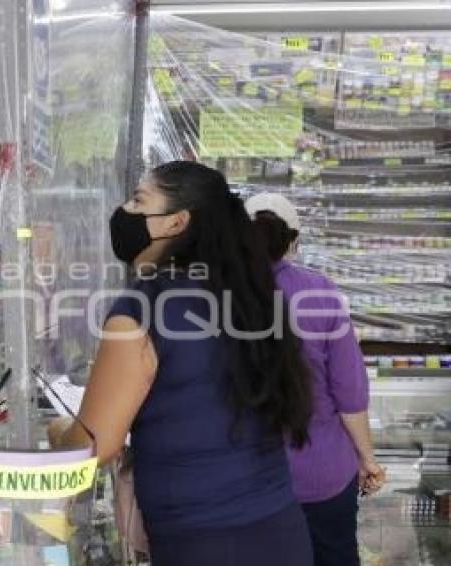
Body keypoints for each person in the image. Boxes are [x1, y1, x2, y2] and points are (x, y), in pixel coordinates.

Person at [49, 161, 314, 566]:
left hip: (200, 544)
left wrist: (60, 431)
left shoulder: (143, 306)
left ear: (175, 223)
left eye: (139, 200)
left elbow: (94, 447)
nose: (126, 210)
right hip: (282, 531)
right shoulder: (249, 299)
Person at [246, 192, 385, 566]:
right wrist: (367, 458)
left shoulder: (215, 294)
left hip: (244, 478)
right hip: (320, 476)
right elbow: (350, 393)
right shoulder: (321, 292)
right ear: (294, 240)